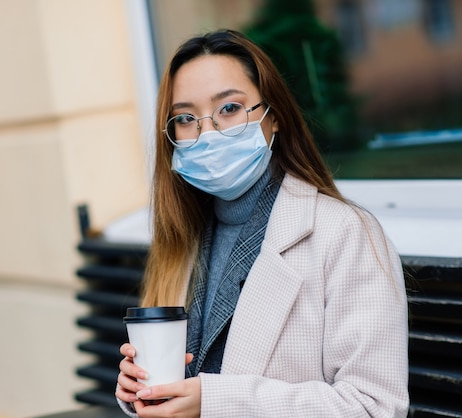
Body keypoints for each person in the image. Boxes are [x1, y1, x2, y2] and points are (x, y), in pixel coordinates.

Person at [116, 29, 408, 417]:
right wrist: (140, 392)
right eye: (185, 118)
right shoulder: (182, 239)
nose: (208, 134)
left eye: (230, 109)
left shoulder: (344, 231)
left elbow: (374, 407)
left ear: (274, 119)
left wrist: (217, 402)